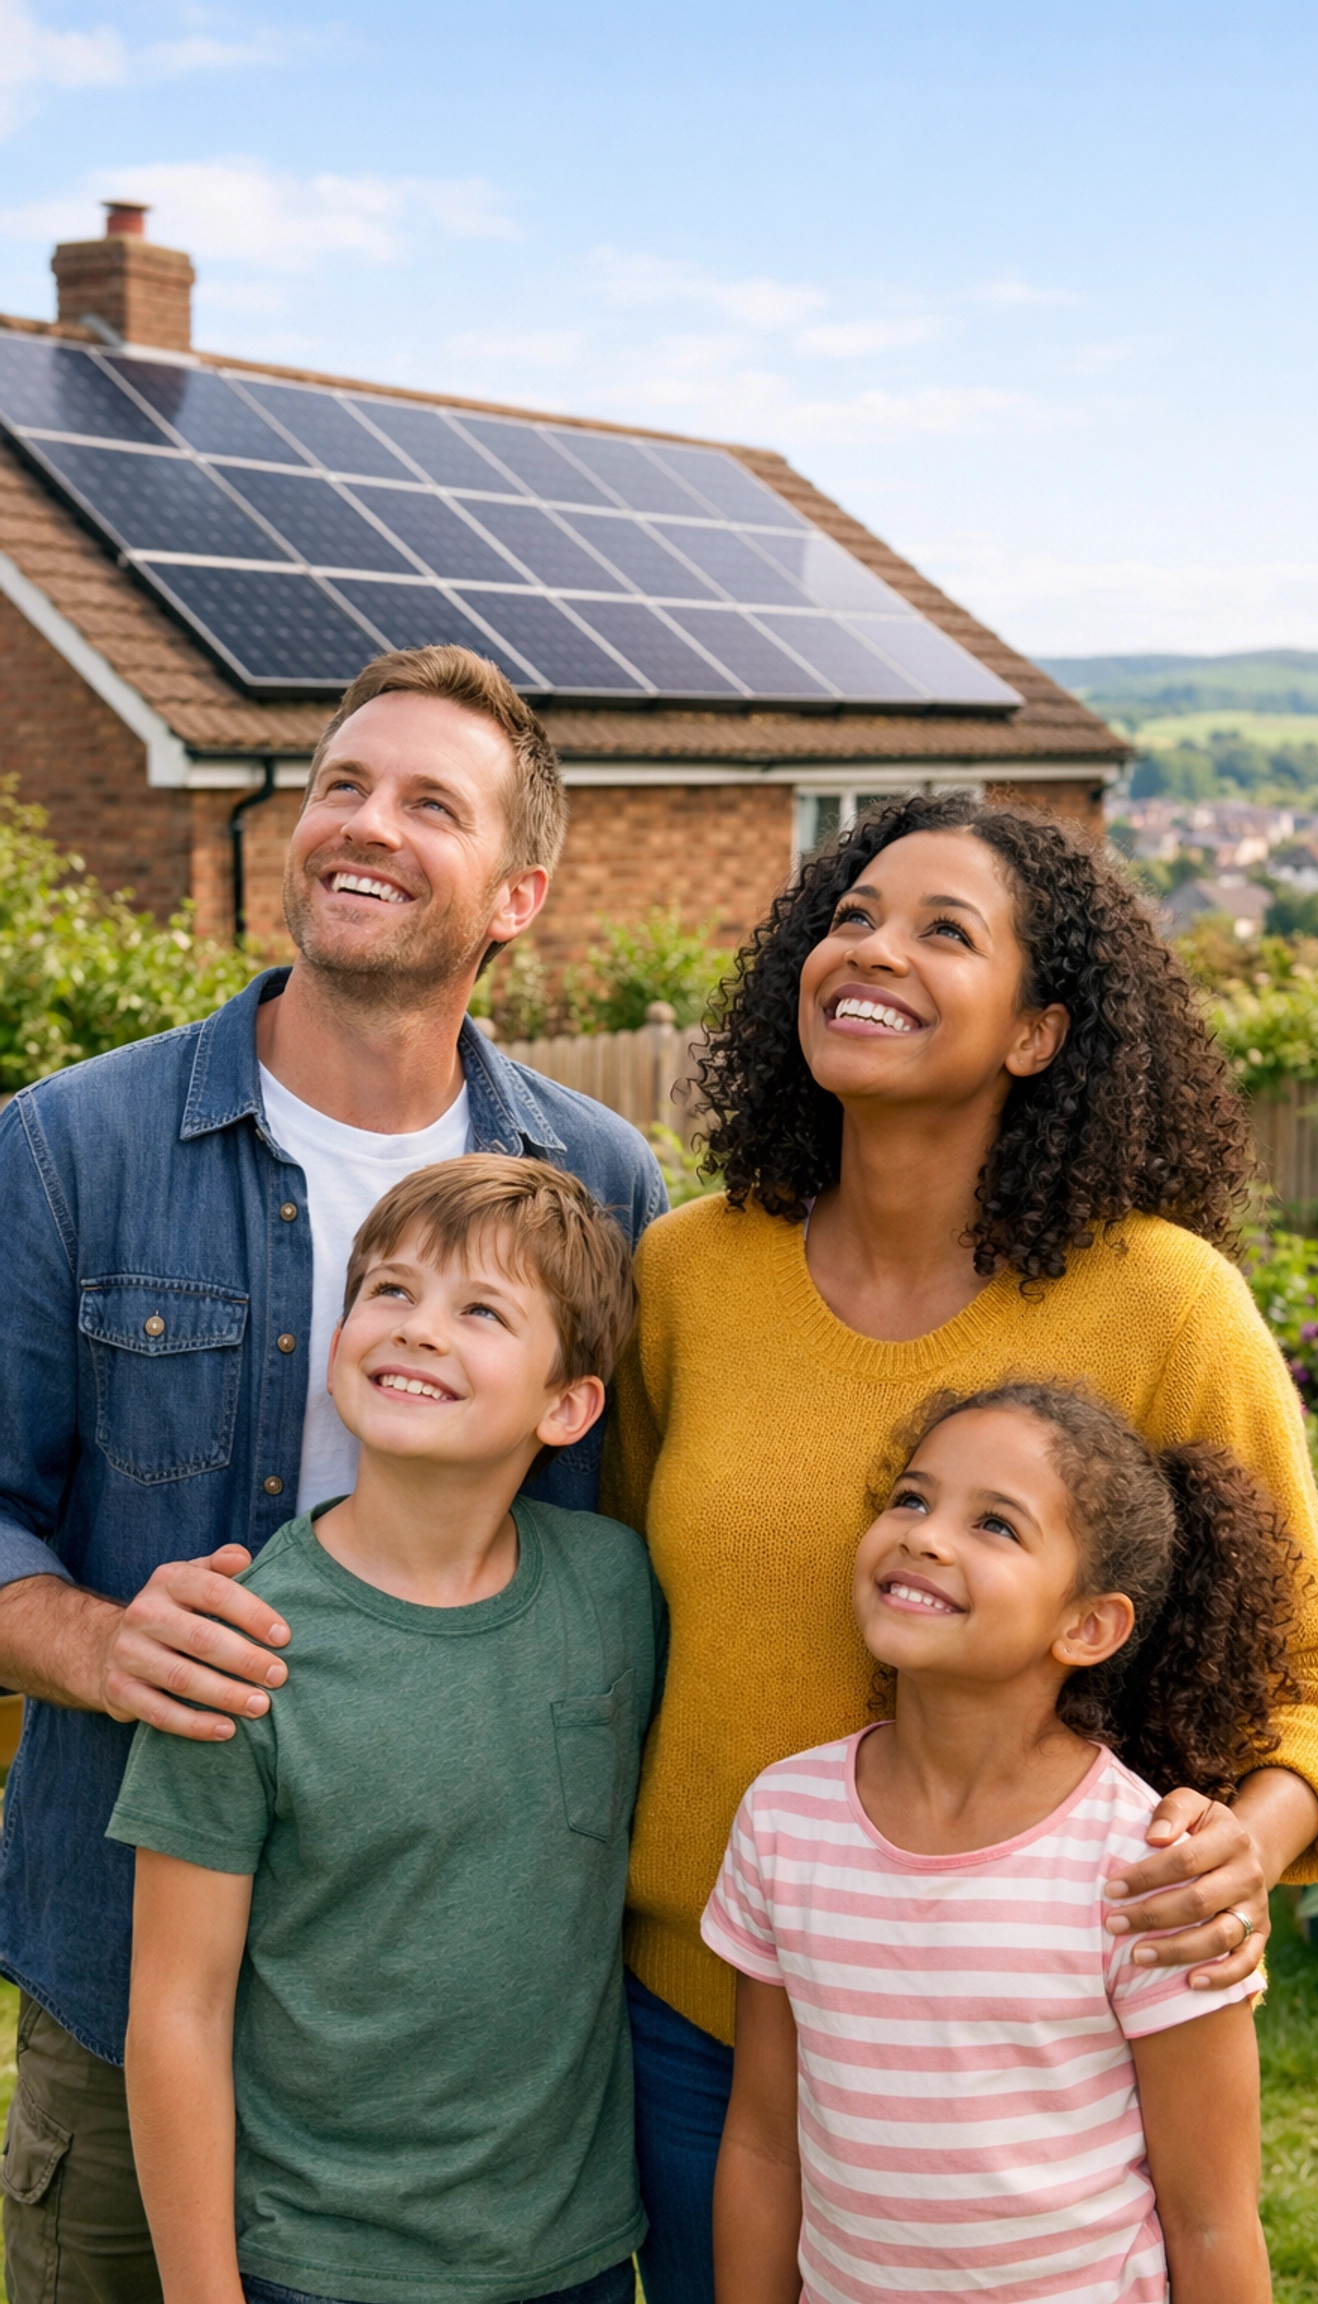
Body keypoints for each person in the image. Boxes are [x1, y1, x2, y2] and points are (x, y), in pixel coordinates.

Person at [606, 793, 1318, 2304]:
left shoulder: (1168, 1306)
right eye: (850, 918)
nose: (871, 951)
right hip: (700, 2031)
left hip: (1030, 2052)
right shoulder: (687, 1273)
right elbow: (611, 1608)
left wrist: (1254, 1843)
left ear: (1038, 1032)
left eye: (943, 932)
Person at [0, 646, 667, 2303]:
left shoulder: (596, 1176)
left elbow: (614, 1542)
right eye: (341, 785)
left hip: (455, 2031)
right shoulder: (71, 1145)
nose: (361, 824)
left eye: (428, 802)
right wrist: (88, 1639)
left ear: (515, 892)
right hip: (131, 1958)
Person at [111, 1156, 662, 2304]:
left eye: (481, 1311)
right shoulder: (240, 1643)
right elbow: (176, 2009)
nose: (419, 1330)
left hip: (571, 2256)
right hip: (317, 2261)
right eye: (392, 1292)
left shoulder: (615, 1592)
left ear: (568, 1406)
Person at [706, 1382, 1284, 2304]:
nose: (926, 1536)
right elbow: (766, 2148)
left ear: (1088, 1626)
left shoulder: (1152, 1868)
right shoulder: (784, 1821)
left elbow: (1211, 2218)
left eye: (997, 1526)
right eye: (912, 1498)